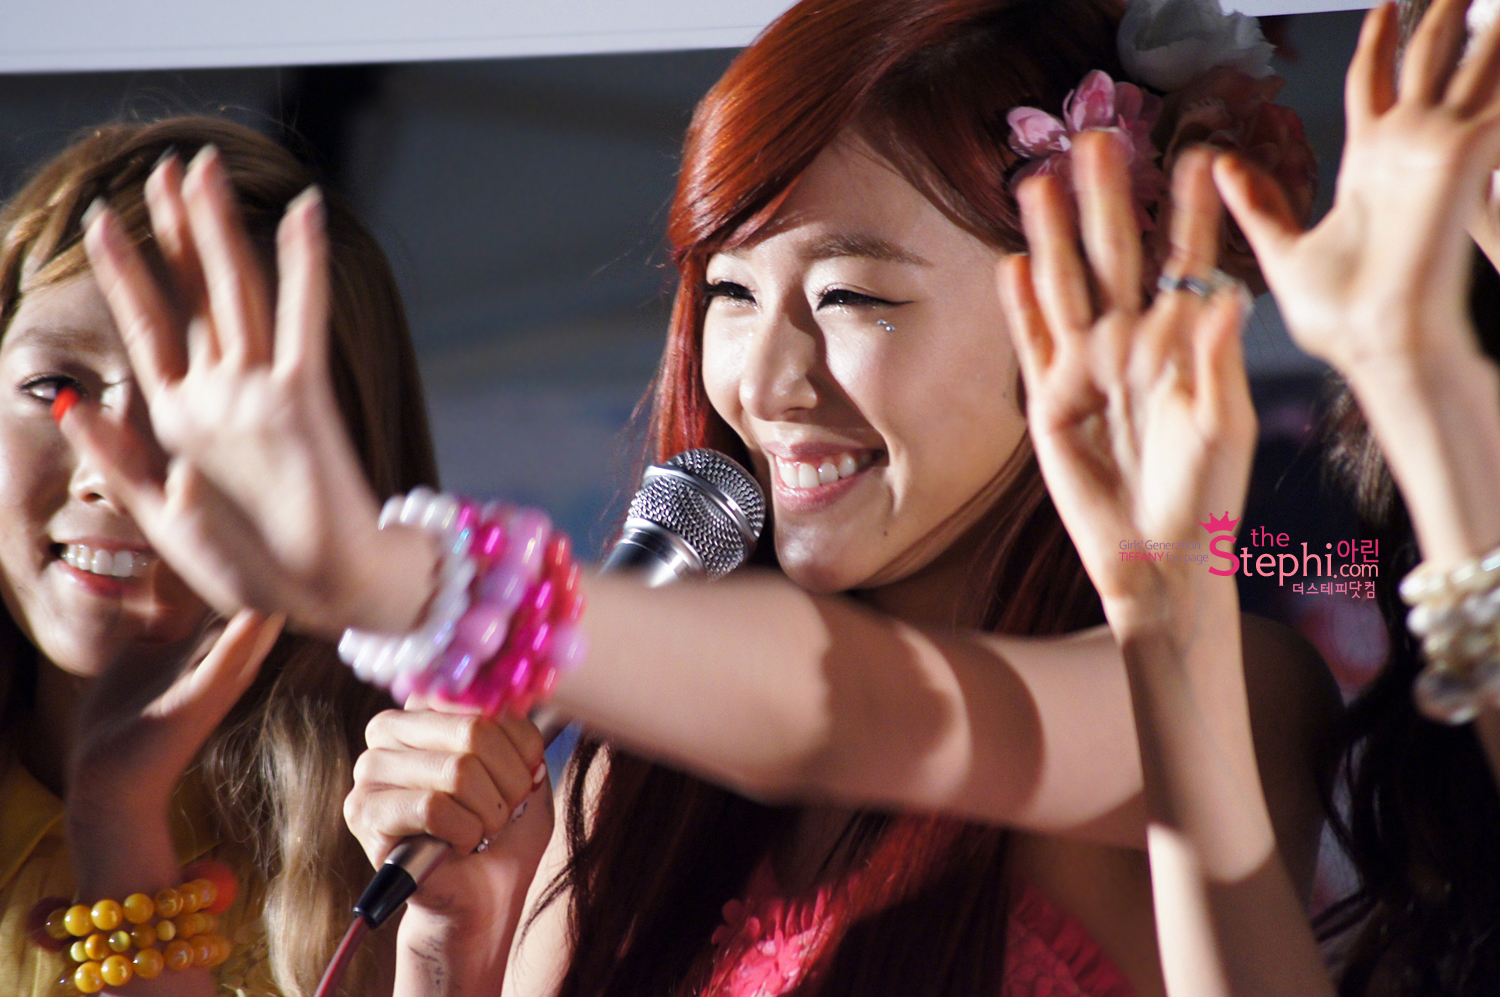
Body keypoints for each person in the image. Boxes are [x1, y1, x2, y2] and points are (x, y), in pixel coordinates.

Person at [62, 1, 1338, 995]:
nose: (765, 382)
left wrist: (402, 579)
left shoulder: (1218, 688)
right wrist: (456, 940)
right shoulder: (637, 782)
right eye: (728, 292)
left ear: (1080, 300)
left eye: (852, 296)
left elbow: (852, 707)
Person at [0, 116, 548, 997]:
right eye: (53, 388)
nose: (109, 472)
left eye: (197, 408)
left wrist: (119, 815)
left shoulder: (419, 850)